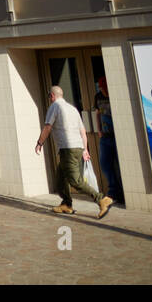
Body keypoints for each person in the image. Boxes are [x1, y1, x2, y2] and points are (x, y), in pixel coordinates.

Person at [36, 85, 112, 218]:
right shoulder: (72, 109)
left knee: (75, 181)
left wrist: (39, 143)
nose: (49, 98)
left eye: (49, 96)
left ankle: (101, 199)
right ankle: (66, 204)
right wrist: (85, 149)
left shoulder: (54, 107)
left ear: (52, 96)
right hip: (77, 148)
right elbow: (83, 131)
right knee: (61, 178)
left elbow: (48, 127)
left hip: (68, 149)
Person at [96, 77, 124, 205]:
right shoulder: (98, 97)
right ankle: (113, 191)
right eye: (101, 89)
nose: (103, 91)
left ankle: (123, 192)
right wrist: (99, 130)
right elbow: (97, 113)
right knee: (105, 164)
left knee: (120, 164)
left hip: (117, 136)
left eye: (104, 88)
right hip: (105, 136)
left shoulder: (115, 95)